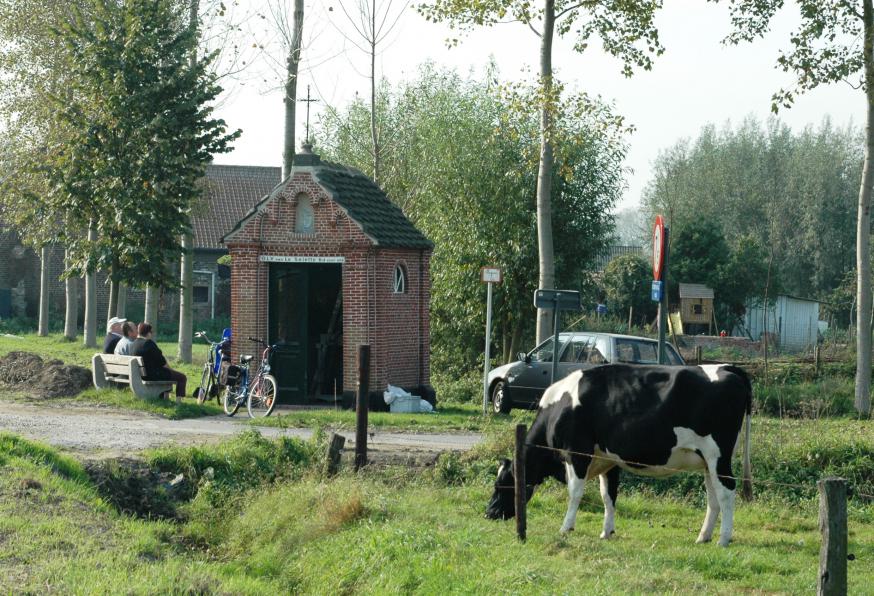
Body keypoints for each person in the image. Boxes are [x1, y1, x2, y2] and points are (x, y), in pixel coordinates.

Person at [131, 323, 187, 398]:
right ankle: (179, 402)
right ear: (148, 333)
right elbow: (163, 363)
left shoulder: (134, 344)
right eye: (151, 332)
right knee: (182, 377)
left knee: (169, 374)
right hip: (152, 375)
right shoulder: (149, 344)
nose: (152, 334)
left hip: (140, 374)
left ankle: (163, 398)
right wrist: (171, 371)